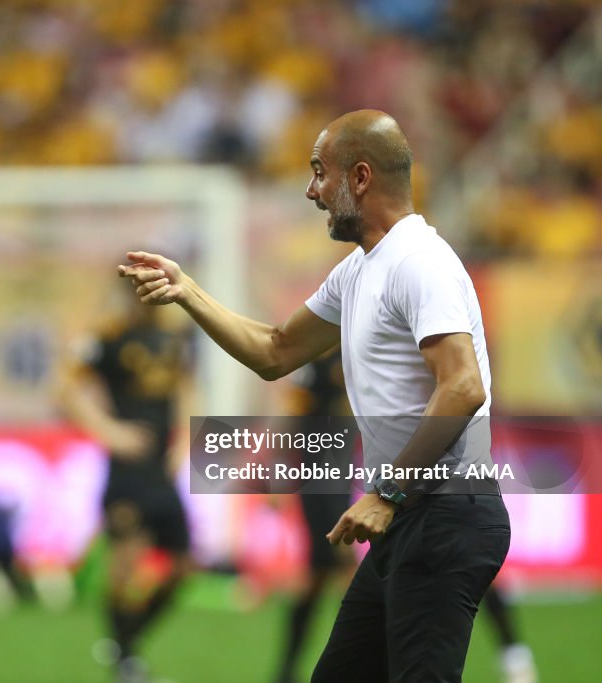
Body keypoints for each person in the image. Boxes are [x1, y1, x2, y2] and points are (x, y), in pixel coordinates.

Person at [119, 109, 510, 683]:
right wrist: (188, 291)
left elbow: (464, 385)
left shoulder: (421, 263)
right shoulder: (358, 271)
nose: (311, 190)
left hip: (445, 512)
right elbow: (275, 351)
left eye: (318, 173)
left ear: (359, 177)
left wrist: (386, 492)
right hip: (411, 518)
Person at [57, 299, 193, 683]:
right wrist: (110, 432)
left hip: (161, 472)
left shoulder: (173, 336)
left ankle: (125, 645)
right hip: (127, 472)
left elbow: (186, 387)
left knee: (184, 565)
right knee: (124, 566)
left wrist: (182, 439)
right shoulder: (108, 337)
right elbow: (65, 390)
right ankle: (126, 663)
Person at [271, 349, 356, 683]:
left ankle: (286, 671)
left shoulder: (361, 351)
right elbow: (290, 412)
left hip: (342, 475)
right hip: (318, 478)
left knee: (318, 577)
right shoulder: (316, 358)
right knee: (342, 568)